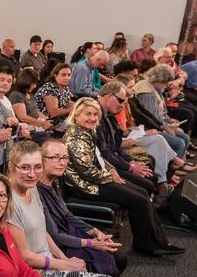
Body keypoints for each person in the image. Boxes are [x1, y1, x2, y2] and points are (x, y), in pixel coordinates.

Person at [2, 143, 171, 277]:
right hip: (37, 274)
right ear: (12, 167)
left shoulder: (32, 189)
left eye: (36, 167)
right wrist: (64, 266)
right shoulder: (10, 203)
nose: (32, 173)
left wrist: (65, 259)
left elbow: (43, 233)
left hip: (52, 263)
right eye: (25, 167)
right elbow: (25, 257)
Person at [63, 98, 184, 256]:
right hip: (84, 186)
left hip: (96, 178)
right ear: (76, 115)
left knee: (141, 192)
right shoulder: (76, 138)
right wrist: (111, 176)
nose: (92, 118)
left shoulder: (85, 131)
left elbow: (100, 158)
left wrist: (112, 170)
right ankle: (146, 244)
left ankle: (157, 240)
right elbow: (86, 172)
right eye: (87, 114)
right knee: (139, 199)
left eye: (95, 114)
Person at [38, 139, 127, 276]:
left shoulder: (53, 182)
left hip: (69, 232)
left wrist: (95, 231)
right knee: (111, 265)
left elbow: (67, 215)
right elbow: (54, 236)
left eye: (65, 158)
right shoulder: (36, 190)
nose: (62, 162)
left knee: (119, 257)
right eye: (55, 157)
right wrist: (92, 243)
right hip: (59, 244)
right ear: (41, 159)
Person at [95, 81, 158, 194]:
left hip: (112, 160)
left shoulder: (109, 114)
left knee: (150, 172)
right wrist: (130, 166)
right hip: (104, 166)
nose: (122, 105)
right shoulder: (96, 115)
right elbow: (105, 153)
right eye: (120, 100)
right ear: (109, 96)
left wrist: (131, 162)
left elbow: (116, 146)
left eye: (124, 102)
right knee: (147, 184)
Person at [134, 64, 191, 157]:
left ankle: (177, 164)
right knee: (179, 143)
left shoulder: (154, 87)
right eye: (167, 82)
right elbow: (151, 118)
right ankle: (172, 168)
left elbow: (159, 112)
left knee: (185, 137)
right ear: (160, 80)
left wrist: (168, 120)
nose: (168, 84)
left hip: (157, 124)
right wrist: (166, 127)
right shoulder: (146, 94)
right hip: (148, 127)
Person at [9, 68, 53, 136]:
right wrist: (42, 124)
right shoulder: (16, 95)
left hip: (37, 126)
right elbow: (23, 117)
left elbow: (35, 110)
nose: (35, 86)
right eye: (33, 84)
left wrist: (46, 119)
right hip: (27, 130)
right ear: (26, 82)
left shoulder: (30, 94)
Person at [33, 62, 74, 130]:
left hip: (58, 120)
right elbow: (53, 112)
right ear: (55, 75)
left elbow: (67, 103)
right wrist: (73, 108)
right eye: (63, 75)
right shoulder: (50, 87)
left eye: (69, 75)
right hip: (44, 122)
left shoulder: (65, 87)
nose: (67, 78)